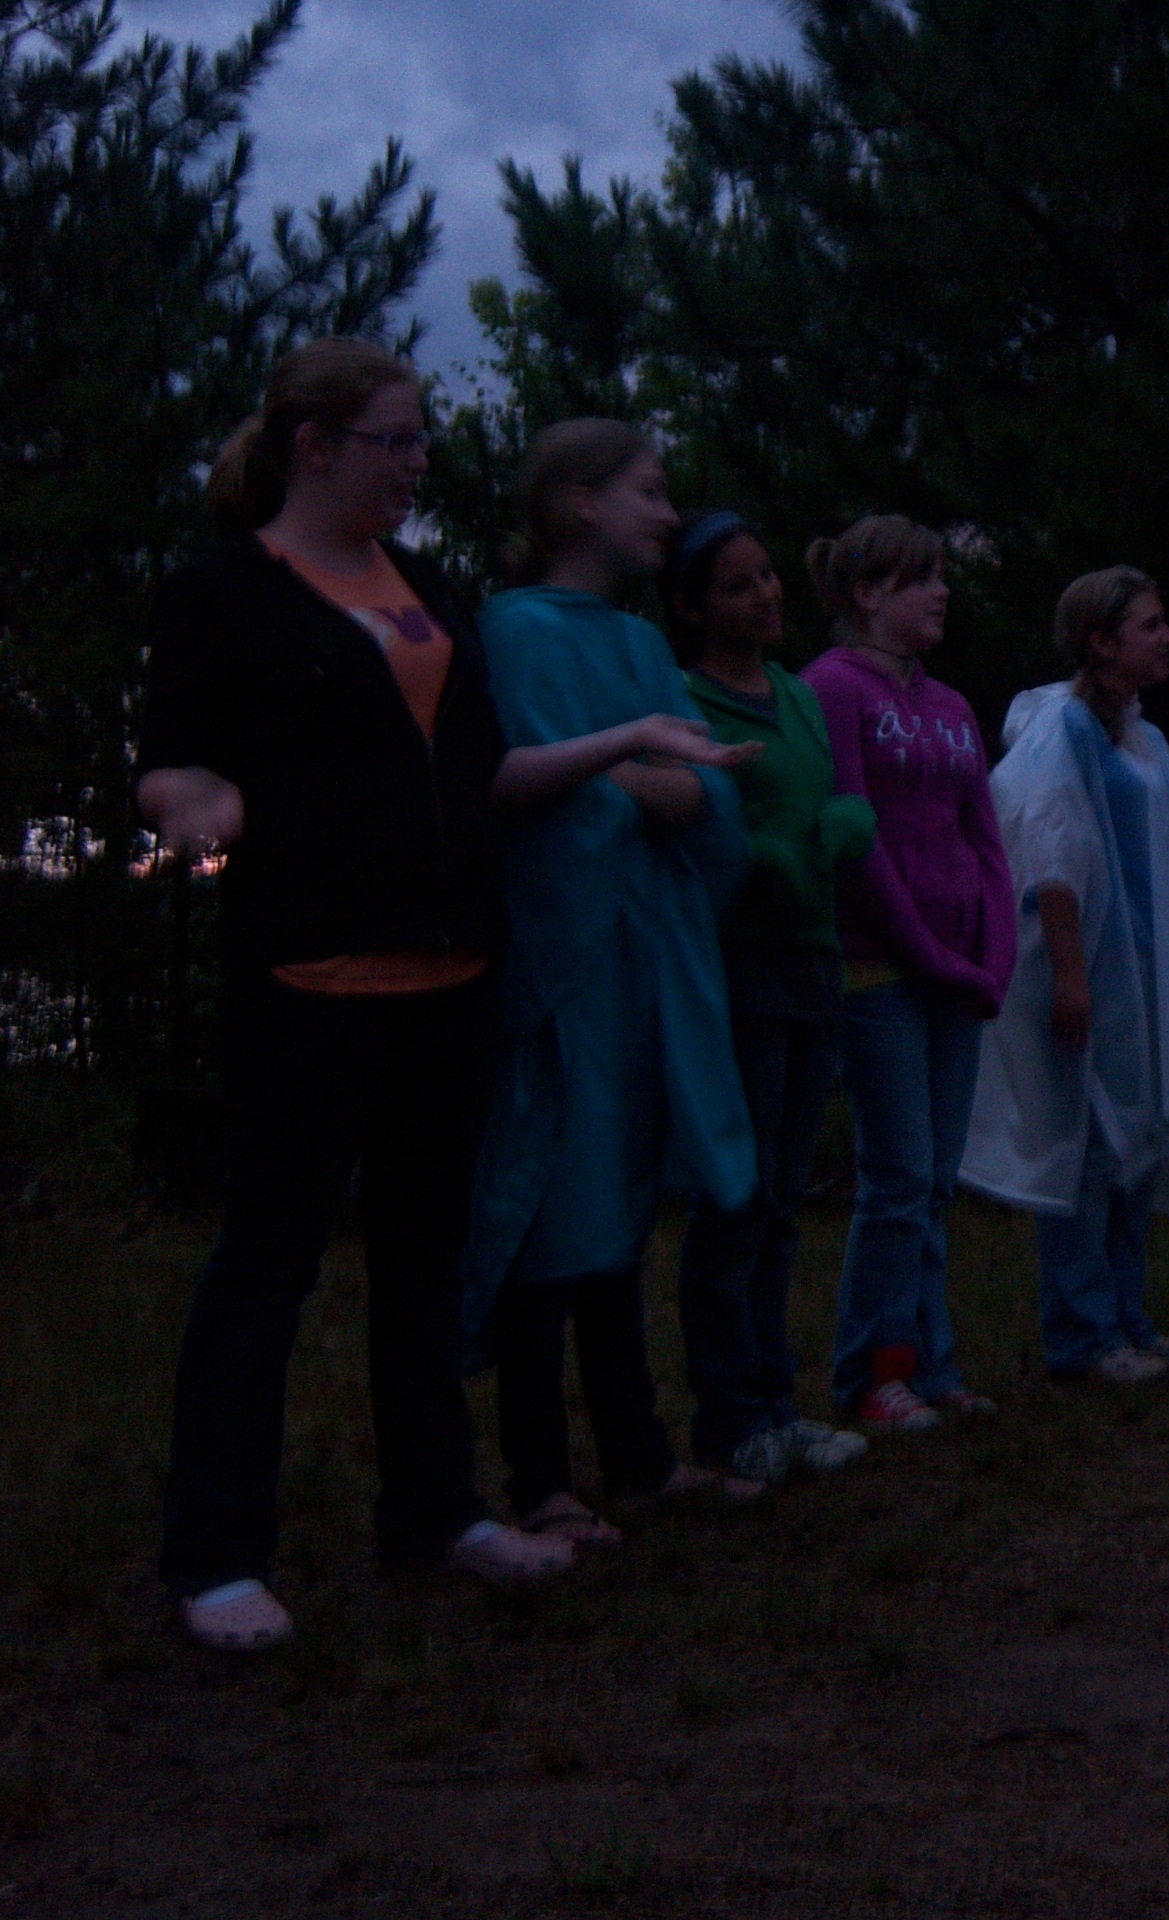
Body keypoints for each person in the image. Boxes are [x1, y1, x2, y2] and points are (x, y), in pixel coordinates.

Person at [136, 337, 571, 1651]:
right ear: (316, 447)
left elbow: (476, 765)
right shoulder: (225, 589)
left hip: (453, 965)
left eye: (423, 437)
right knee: (267, 1260)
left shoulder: (425, 585)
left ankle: (437, 1510)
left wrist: (619, 752)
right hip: (309, 971)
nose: (421, 461)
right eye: (399, 439)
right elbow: (174, 760)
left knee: (426, 1253)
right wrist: (194, 806)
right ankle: (216, 1556)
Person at [458, 420, 767, 1545]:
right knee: (556, 1204)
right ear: (579, 504)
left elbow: (702, 795)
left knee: (622, 1205)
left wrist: (649, 782)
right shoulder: (514, 631)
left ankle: (640, 1456)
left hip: (648, 961)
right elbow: (533, 788)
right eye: (649, 491)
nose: (669, 514)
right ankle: (540, 1475)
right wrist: (635, 774)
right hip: (567, 965)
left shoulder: (639, 642)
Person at [963, 567, 1169, 1379]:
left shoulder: (1141, 737)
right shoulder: (1064, 730)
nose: (1167, 638)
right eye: (1149, 626)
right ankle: (1082, 1334)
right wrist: (1070, 975)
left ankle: (1127, 1318)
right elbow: (1050, 854)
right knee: (1090, 1151)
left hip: (1148, 971)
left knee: (1138, 1145)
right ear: (1100, 642)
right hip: (1094, 969)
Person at [666, 511, 875, 1482]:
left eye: (767, 575)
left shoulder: (793, 693)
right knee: (736, 1200)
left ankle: (776, 1405)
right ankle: (729, 1417)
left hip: (811, 961)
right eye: (738, 584)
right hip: (738, 967)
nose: (766, 594)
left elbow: (823, 792)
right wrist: (757, 856)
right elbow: (690, 828)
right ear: (693, 607)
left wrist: (843, 821)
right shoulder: (684, 702)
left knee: (784, 1200)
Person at [802, 516, 1015, 1431]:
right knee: (896, 1176)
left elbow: (984, 837)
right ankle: (868, 1374)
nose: (942, 591)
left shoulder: (953, 706)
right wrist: (930, 957)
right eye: (921, 577)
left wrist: (995, 956)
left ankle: (931, 1365)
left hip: (958, 976)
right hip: (877, 971)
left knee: (933, 1182)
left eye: (940, 575)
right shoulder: (831, 689)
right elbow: (856, 840)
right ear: (867, 593)